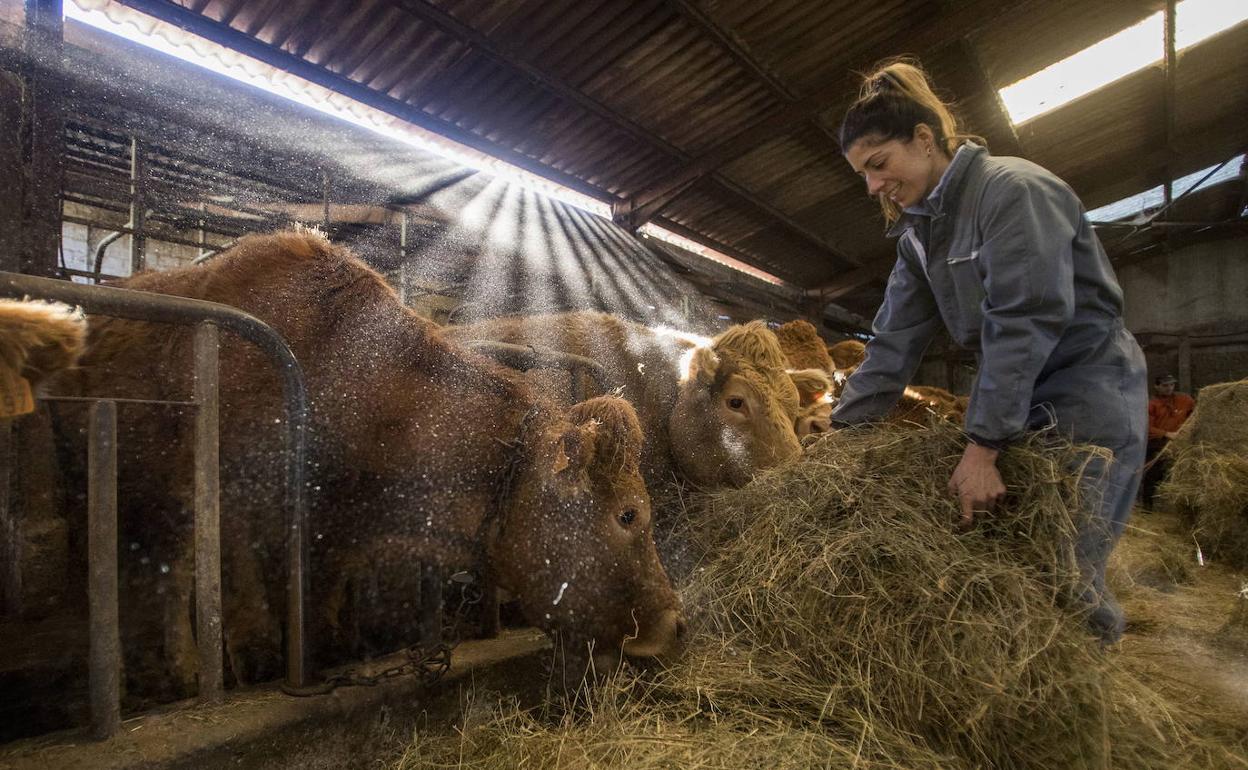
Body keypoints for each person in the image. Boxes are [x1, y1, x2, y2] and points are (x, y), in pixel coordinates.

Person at [829, 59, 1147, 644]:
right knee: (1013, 570)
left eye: (879, 165)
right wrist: (837, 438)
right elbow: (892, 344)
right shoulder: (920, 239)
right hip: (1015, 400)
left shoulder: (1013, 192)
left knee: (1066, 570)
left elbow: (1023, 322)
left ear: (924, 140)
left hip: (1084, 392)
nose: (874, 186)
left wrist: (982, 447)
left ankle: (1084, 714)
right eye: (863, 176)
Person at [1141, 373, 1195, 508]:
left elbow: (1195, 414)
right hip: (1157, 445)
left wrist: (1188, 428)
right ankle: (1147, 508)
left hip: (1179, 444)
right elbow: (1145, 427)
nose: (1169, 388)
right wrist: (1166, 434)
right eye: (1165, 385)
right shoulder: (1151, 404)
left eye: (1171, 385)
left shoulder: (1185, 400)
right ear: (1156, 386)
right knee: (1153, 475)